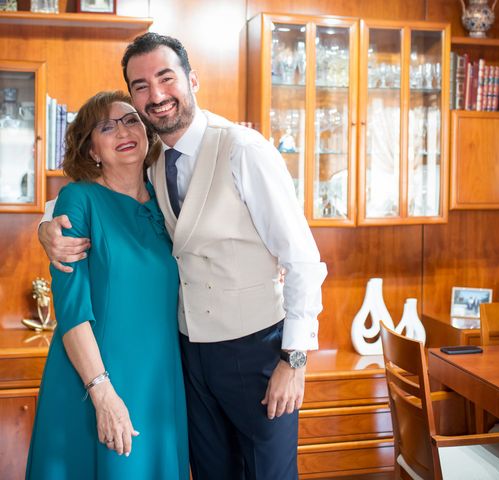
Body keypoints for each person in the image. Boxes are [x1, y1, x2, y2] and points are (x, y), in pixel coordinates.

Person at [39, 33, 327, 479]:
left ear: (192, 79)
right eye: (140, 87)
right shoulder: (151, 169)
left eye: (166, 78)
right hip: (186, 360)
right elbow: (82, 206)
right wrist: (46, 228)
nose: (155, 96)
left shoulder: (242, 149)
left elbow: (302, 259)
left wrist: (295, 358)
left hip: (253, 352)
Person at [27, 91, 189, 479]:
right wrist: (102, 393)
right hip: (93, 379)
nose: (123, 131)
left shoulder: (169, 199)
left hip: (160, 382)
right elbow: (71, 310)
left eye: (131, 119)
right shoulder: (78, 200)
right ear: (92, 150)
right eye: (106, 126)